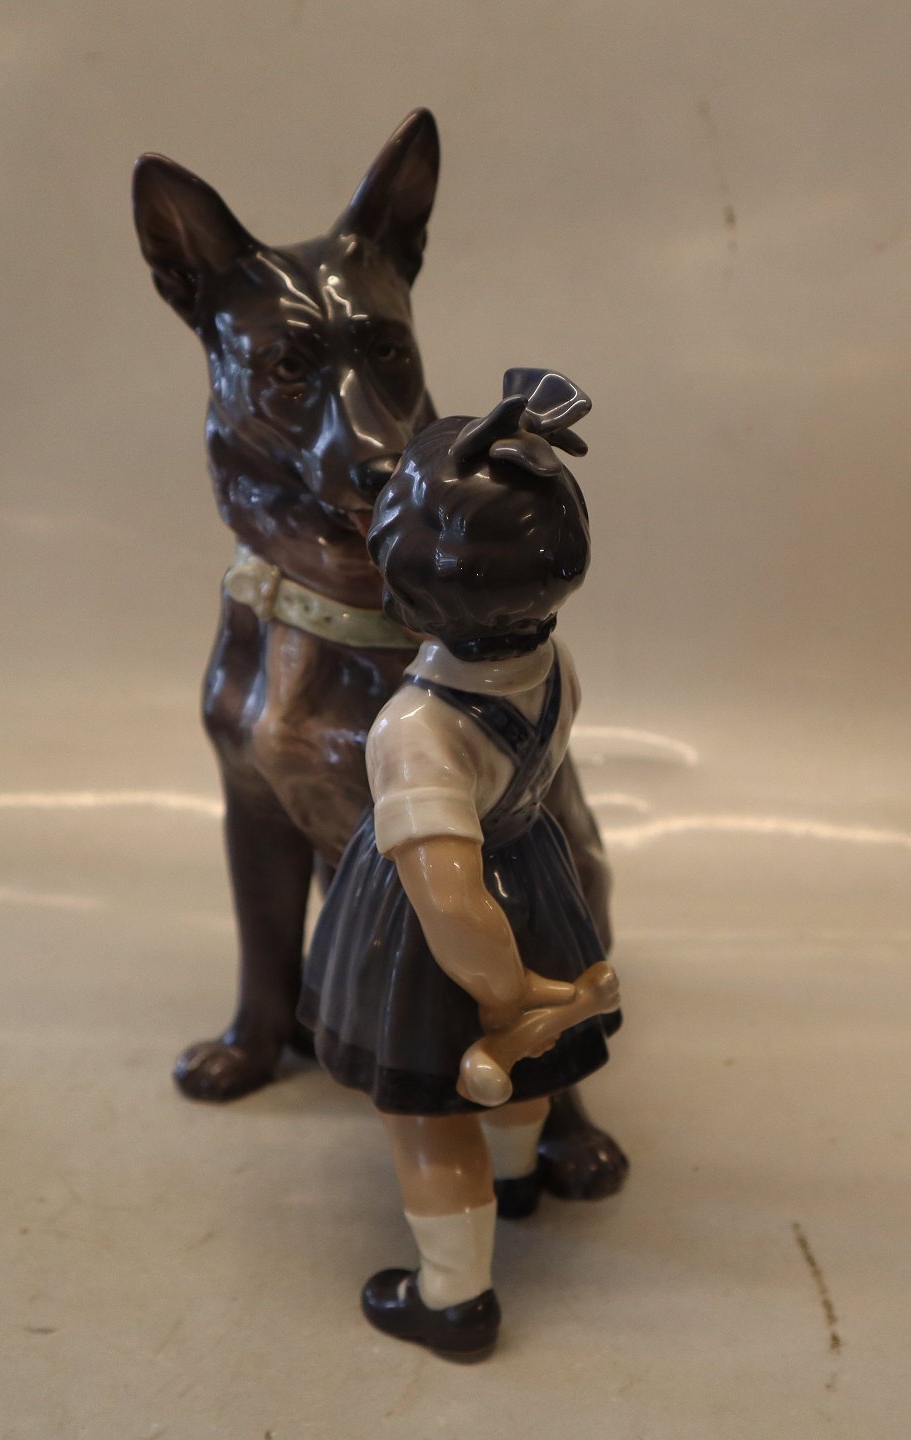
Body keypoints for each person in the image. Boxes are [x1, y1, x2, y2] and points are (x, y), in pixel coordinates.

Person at [298, 370, 621, 1360]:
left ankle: (452, 1298)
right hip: (535, 875)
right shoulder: (557, 668)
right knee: (524, 1072)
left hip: (439, 936)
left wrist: (503, 993)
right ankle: (517, 1180)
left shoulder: (416, 727)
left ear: (398, 584)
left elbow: (447, 895)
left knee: (428, 1114)